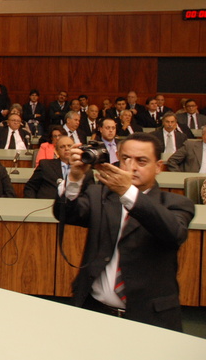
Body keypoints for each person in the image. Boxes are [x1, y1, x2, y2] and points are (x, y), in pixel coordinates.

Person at [53, 133, 195, 331]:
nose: (132, 167)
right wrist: (75, 179)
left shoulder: (176, 204)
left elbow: (173, 233)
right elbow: (67, 213)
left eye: (141, 161)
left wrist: (127, 191)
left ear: (158, 166)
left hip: (149, 319)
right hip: (94, 310)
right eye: (126, 158)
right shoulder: (100, 195)